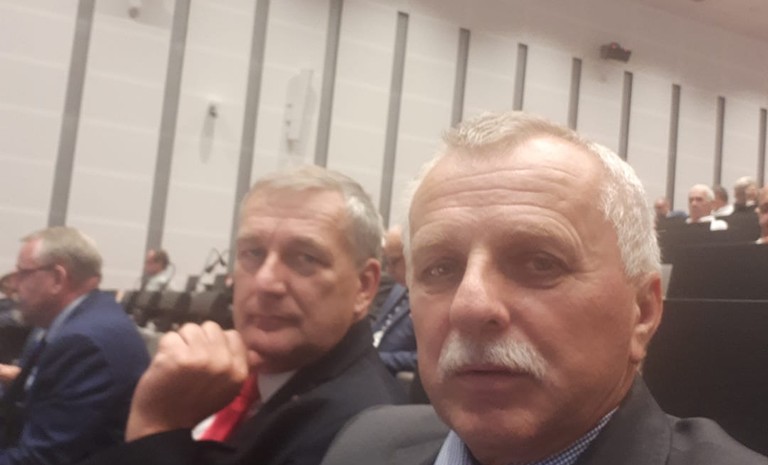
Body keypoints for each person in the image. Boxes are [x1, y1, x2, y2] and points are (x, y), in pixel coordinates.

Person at [319, 112, 767, 465]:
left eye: (540, 263)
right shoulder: (363, 445)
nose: (469, 307)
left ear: (642, 312)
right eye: (440, 268)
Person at [80, 165, 406, 465]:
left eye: (305, 258)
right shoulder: (225, 380)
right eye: (253, 253)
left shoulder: (361, 439)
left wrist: (156, 429)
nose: (265, 282)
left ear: (364, 287)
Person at [0, 226, 150, 465]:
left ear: (57, 279)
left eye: (23, 273)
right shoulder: (62, 321)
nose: (14, 285)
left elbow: (42, 458)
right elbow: (26, 398)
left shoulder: (85, 342)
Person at [371, 225, 417, 375]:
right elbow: (379, 326)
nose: (389, 269)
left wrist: (380, 359)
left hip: (388, 374)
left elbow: (424, 359)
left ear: (413, 255)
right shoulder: (399, 286)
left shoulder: (433, 299)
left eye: (394, 261)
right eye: (387, 261)